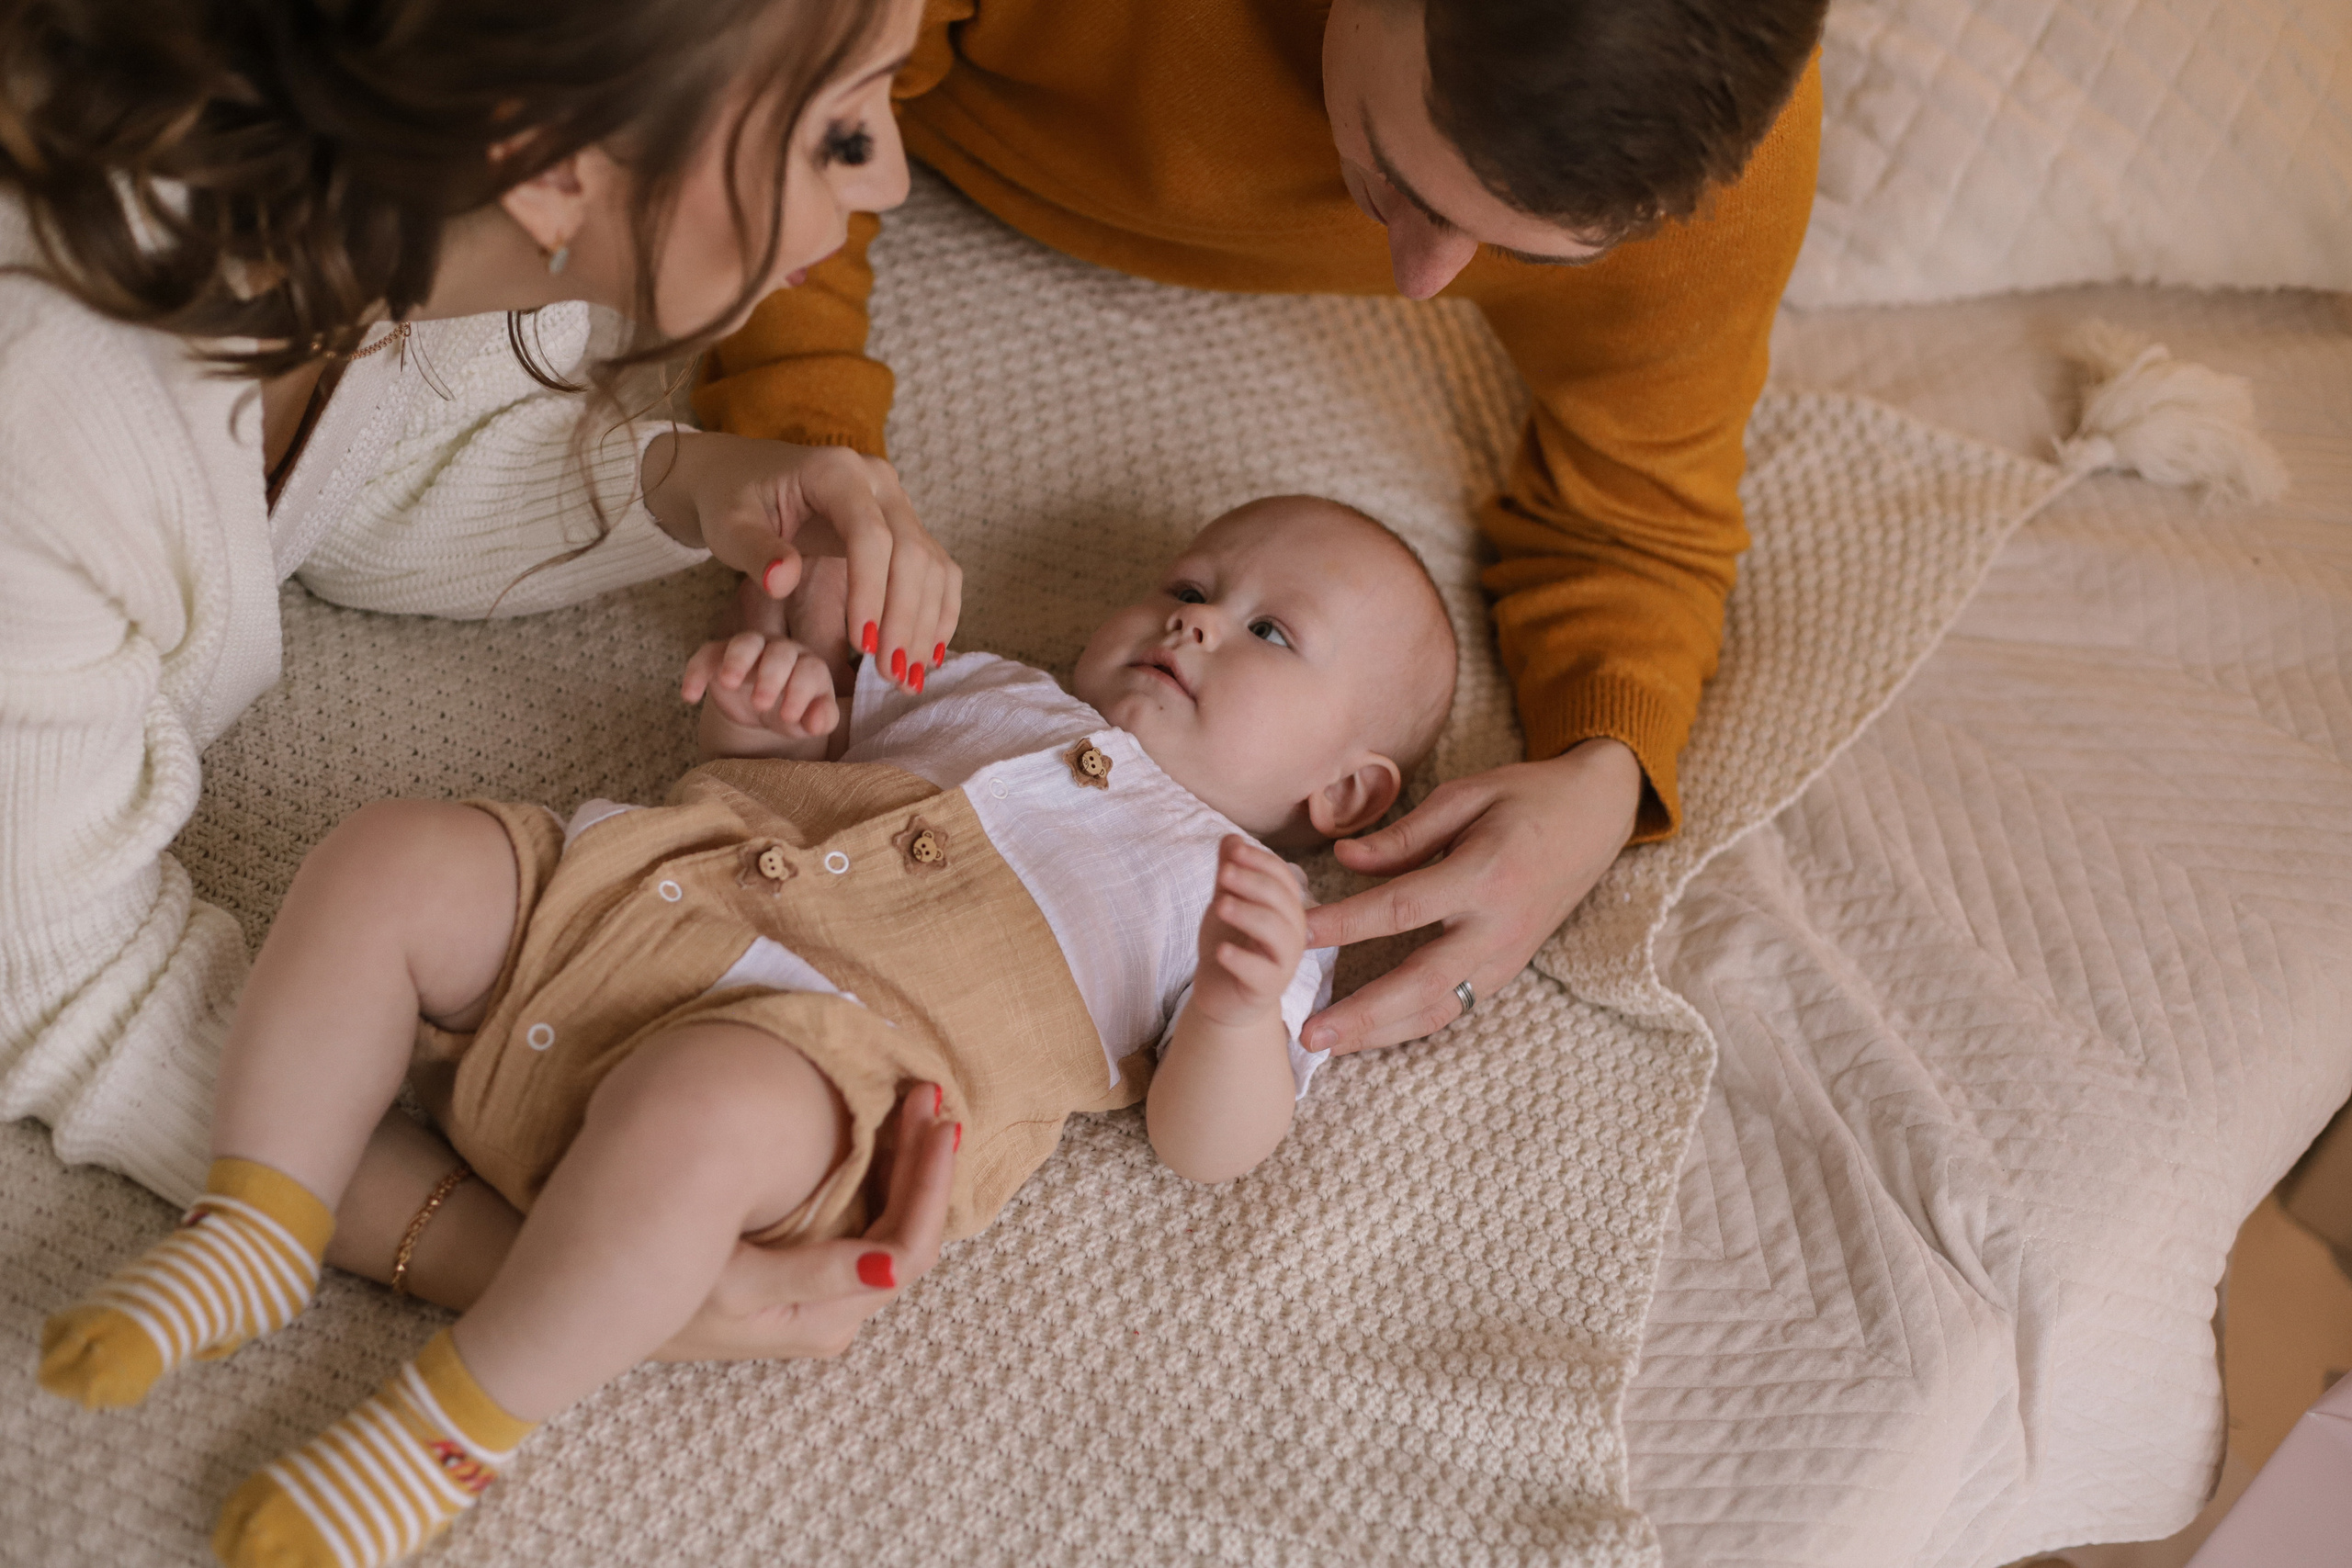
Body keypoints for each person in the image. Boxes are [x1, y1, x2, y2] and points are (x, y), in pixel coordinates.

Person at [38, 494, 1459, 1568]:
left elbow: (1213, 1144)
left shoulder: (1255, 910)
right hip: (626, 910)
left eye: (1271, 633)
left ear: (1343, 791)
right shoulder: (990, 686)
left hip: (824, 1076)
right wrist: (766, 718)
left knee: (703, 1105)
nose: (1196, 622)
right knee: (392, 856)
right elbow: (795, 761)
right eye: (1190, 587)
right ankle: (259, 1219)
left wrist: (1231, 1011)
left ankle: (448, 1427)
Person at [0, 0, 963, 1361]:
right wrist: (560, 1269)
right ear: (552, 165)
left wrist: (693, 482)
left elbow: (373, 461)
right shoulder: (41, 417)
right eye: (843, 133)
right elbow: (64, 985)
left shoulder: (396, 171)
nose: (894, 184)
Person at [695, 0, 1828, 1055]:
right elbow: (761, 91)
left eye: (1521, 251)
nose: (1422, 279)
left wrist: (1601, 780)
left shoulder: (1712, 132)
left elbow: (1640, 522)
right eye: (1397, 176)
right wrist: (803, 429)